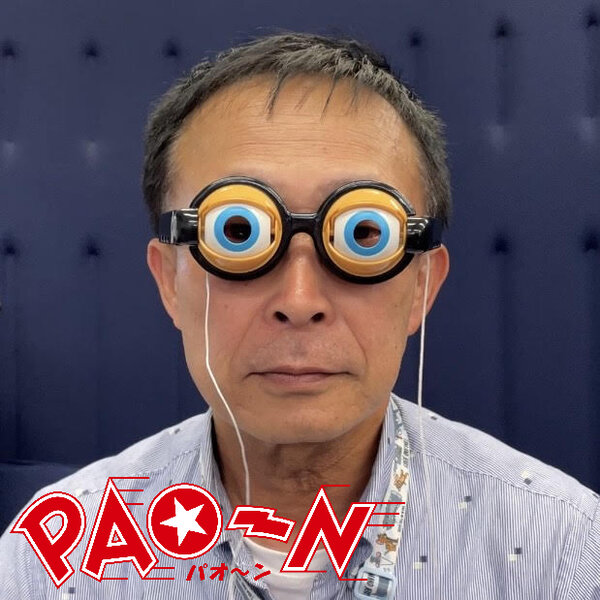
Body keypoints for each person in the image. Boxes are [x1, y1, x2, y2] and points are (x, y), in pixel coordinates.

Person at [0, 32, 598, 600]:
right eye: (238, 232)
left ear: (422, 285)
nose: (300, 300)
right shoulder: (53, 561)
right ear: (169, 281)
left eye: (365, 234)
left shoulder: (563, 553)